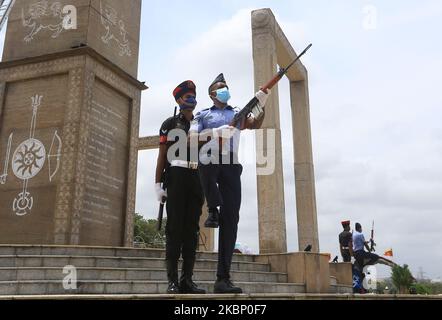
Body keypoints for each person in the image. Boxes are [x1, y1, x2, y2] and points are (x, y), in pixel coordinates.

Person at [189, 73, 270, 293]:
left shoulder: (236, 112)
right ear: (212, 94)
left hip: (231, 164)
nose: (226, 89)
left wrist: (262, 104)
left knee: (231, 219)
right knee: (204, 161)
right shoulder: (203, 114)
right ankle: (212, 209)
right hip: (211, 157)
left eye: (227, 86)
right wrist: (214, 132)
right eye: (221, 87)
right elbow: (191, 138)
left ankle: (222, 279)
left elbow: (254, 124)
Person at [154, 80, 205, 294]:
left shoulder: (201, 123)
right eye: (187, 96)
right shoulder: (169, 123)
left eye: (193, 95)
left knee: (192, 231)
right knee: (174, 230)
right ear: (178, 100)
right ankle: (172, 281)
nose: (191, 99)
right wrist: (158, 184)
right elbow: (162, 155)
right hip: (176, 176)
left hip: (197, 177)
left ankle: (187, 280)